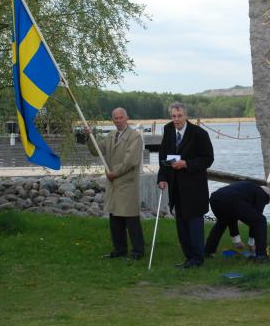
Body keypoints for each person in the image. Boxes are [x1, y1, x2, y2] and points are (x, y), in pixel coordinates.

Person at [157, 102, 214, 268]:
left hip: (194, 188)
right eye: (173, 116)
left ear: (186, 115)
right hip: (176, 187)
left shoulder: (199, 133)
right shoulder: (168, 130)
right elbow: (163, 156)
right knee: (181, 225)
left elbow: (208, 159)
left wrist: (186, 164)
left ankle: (197, 258)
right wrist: (162, 178)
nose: (176, 120)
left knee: (194, 224)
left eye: (179, 116)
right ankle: (188, 257)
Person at [85, 107, 145, 260]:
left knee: (131, 219)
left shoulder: (135, 137)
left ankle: (138, 251)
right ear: (112, 120)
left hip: (127, 183)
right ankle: (119, 249)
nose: (118, 120)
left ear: (126, 118)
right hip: (114, 183)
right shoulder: (111, 135)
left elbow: (130, 161)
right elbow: (97, 150)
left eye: (120, 117)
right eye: (115, 118)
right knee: (115, 218)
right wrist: (89, 137)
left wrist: (114, 173)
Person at [204, 181, 270, 262]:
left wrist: (237, 241)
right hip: (232, 199)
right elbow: (256, 221)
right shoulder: (262, 194)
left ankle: (208, 251)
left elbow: (232, 218)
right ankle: (261, 256)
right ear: (267, 196)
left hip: (215, 198)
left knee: (222, 222)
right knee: (261, 220)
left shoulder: (248, 188)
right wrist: (251, 243)